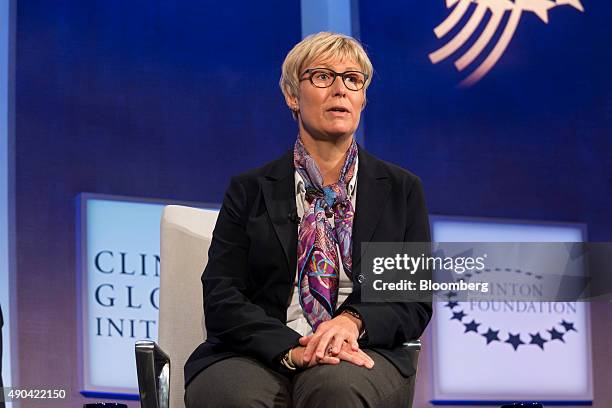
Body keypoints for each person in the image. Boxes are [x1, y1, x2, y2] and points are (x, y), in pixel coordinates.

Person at [184, 31, 432, 407]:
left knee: (334, 389)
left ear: (363, 97)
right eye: (322, 76)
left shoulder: (400, 189)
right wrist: (290, 349)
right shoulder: (249, 189)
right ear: (291, 96)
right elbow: (223, 295)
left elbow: (409, 299)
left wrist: (351, 322)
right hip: (257, 351)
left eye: (352, 79)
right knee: (233, 397)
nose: (340, 89)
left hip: (360, 349)